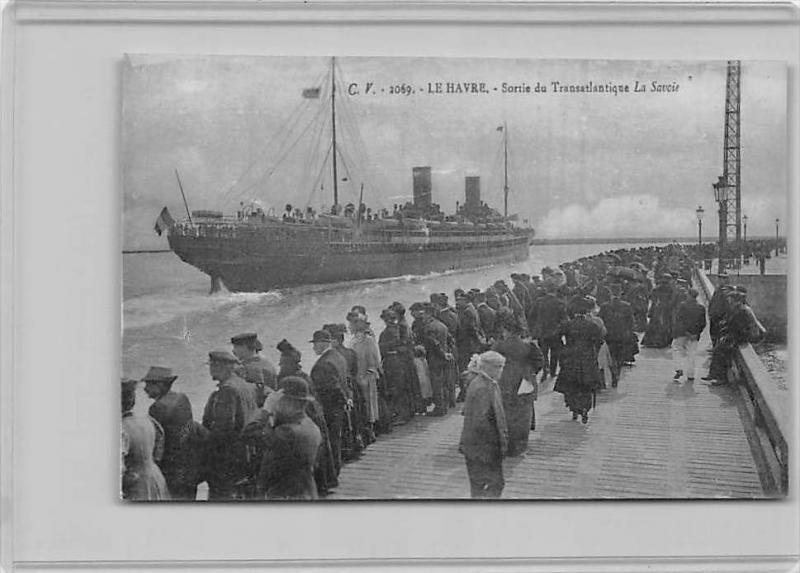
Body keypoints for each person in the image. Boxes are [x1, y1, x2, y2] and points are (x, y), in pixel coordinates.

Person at [275, 338, 338, 495]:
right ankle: (325, 481)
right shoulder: (304, 376)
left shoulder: (288, 380)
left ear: (290, 364)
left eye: (282, 363)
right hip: (315, 416)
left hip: (305, 417)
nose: (280, 366)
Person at [201, 350, 260, 500]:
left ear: (220, 367)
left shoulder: (227, 390)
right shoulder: (245, 386)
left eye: (212, 366)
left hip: (229, 456)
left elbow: (223, 428)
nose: (210, 370)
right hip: (245, 452)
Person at [255, 376, 323, 500]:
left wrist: (266, 410)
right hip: (306, 491)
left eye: (279, 401)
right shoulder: (310, 424)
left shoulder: (287, 432)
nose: (277, 406)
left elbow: (251, 433)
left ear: (289, 402)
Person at [142, 366, 203, 500]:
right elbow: (188, 427)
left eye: (149, 384)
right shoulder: (182, 398)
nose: (145, 389)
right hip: (189, 467)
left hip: (171, 470)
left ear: (160, 385)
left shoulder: (157, 408)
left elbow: (157, 443)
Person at [492, 311, 543, 456]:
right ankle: (519, 446)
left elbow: (490, 361)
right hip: (524, 383)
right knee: (523, 414)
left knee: (505, 413)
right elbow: (540, 362)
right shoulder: (529, 346)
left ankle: (505, 444)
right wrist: (529, 372)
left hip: (505, 382)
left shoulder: (500, 345)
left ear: (506, 330)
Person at [458, 351, 509, 498]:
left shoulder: (488, 383)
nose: (501, 370)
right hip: (482, 449)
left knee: (481, 485)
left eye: (502, 366)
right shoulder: (482, 388)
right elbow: (480, 422)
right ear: (487, 367)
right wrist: (496, 446)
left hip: (479, 448)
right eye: (498, 367)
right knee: (494, 484)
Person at [553, 297, 604, 424]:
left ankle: (574, 408)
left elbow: (556, 337)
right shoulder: (592, 325)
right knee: (586, 384)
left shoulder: (568, 324)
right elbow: (600, 341)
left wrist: (563, 350)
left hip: (571, 358)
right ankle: (585, 408)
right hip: (587, 358)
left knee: (571, 384)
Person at [121, 378, 169, 501]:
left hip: (136, 485)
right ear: (132, 400)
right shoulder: (149, 420)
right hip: (156, 477)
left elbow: (120, 469)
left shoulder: (122, 428)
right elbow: (159, 453)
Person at [309, 329, 349, 475]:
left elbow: (332, 388)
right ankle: (335, 468)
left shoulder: (323, 364)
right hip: (339, 406)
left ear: (322, 344)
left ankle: (332, 472)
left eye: (315, 344)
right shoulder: (338, 356)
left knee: (329, 440)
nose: (313, 347)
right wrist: (346, 399)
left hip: (329, 407)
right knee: (335, 439)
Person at [348, 312, 384, 435]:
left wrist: (366, 377)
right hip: (358, 376)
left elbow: (373, 361)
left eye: (351, 324)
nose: (349, 327)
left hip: (367, 377)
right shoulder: (353, 341)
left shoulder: (368, 340)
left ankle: (372, 429)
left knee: (369, 403)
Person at [379, 308, 415, 424]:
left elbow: (384, 348)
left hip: (392, 363)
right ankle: (407, 413)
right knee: (403, 388)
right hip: (401, 362)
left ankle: (402, 416)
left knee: (396, 389)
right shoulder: (401, 329)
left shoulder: (388, 332)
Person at [599, 283, 637, 387]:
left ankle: (613, 373)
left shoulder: (604, 306)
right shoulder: (627, 306)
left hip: (609, 336)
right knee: (620, 356)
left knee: (610, 357)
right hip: (622, 336)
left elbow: (600, 321)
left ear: (610, 293)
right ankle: (617, 375)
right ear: (620, 293)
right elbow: (631, 323)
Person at [533, 284, 568, 383]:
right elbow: (564, 320)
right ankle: (553, 371)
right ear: (555, 291)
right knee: (554, 353)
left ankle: (545, 370)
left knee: (543, 352)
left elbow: (532, 315)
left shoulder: (539, 302)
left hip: (542, 333)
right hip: (555, 333)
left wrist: (536, 328)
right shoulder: (559, 303)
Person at [231, 332, 277, 407]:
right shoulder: (267, 364)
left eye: (236, 347)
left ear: (244, 347)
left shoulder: (247, 368)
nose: (233, 351)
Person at [671, 288, 707, 383]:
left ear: (690, 295)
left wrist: (686, 332)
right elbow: (703, 323)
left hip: (682, 333)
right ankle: (691, 375)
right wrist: (696, 333)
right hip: (694, 335)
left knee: (676, 349)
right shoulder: (701, 308)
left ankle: (679, 368)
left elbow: (679, 320)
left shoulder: (683, 306)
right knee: (692, 354)